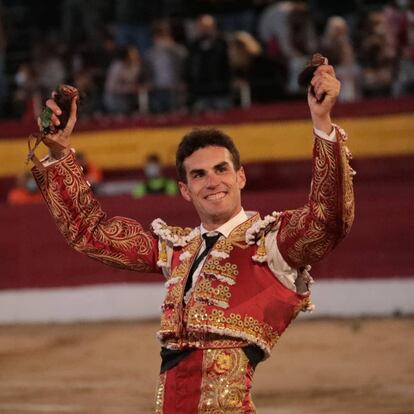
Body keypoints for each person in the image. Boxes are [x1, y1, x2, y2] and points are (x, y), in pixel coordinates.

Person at [30, 61, 355, 413]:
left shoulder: (271, 245)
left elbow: (328, 220)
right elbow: (89, 233)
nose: (212, 181)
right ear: (185, 190)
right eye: (199, 175)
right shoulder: (177, 250)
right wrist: (60, 151)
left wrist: (322, 123)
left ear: (240, 177)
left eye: (221, 169)